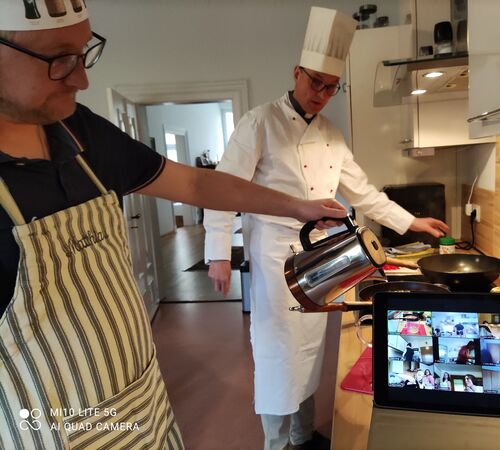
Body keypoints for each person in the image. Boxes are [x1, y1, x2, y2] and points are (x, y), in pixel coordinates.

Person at [0, 4, 348, 448]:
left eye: (84, 52)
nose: (82, 79)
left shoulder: (81, 131)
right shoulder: (261, 120)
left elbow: (198, 183)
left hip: (143, 408)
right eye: (58, 59)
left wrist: (297, 207)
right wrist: (220, 253)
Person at [203, 7, 448, 449]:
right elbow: (224, 187)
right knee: (279, 358)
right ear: (297, 73)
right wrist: (218, 251)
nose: (321, 93)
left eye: (331, 87)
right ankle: (277, 444)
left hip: (320, 258)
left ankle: (302, 434)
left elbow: (365, 193)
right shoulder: (260, 122)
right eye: (315, 81)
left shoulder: (333, 134)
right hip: (274, 258)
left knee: (311, 353)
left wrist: (411, 222)